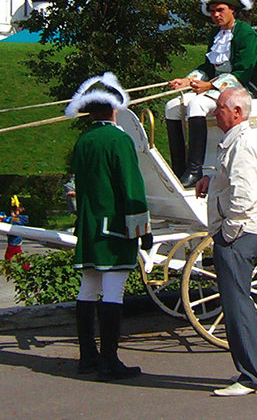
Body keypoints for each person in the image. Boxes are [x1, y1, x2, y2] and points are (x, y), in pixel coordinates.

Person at [66, 73, 151, 381]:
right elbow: (131, 188)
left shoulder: (83, 140)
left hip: (87, 227)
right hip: (114, 230)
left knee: (87, 289)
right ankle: (109, 360)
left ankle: (87, 357)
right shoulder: (119, 139)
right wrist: (143, 230)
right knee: (113, 293)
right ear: (115, 109)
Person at [194, 87, 257, 397]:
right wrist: (210, 181)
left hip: (238, 235)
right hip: (239, 232)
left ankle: (252, 376)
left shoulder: (241, 144)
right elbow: (232, 182)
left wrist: (228, 232)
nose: (215, 113)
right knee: (240, 302)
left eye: (220, 108)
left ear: (237, 113)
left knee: (236, 305)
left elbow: (244, 194)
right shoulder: (235, 141)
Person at [166, 0, 257, 188]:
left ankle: (196, 170)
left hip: (242, 89)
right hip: (215, 88)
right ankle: (179, 169)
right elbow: (208, 66)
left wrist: (209, 85)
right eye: (212, 11)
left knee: (197, 104)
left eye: (220, 10)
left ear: (232, 10)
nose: (215, 15)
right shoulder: (216, 34)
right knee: (171, 106)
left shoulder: (245, 33)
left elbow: (243, 72)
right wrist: (187, 81)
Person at [0, 196, 29, 261]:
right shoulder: (16, 219)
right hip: (15, 241)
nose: (11, 213)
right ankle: (26, 268)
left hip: (14, 242)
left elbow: (13, 220)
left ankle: (8, 270)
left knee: (8, 257)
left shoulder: (18, 219)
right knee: (19, 256)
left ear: (17, 212)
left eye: (13, 211)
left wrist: (4, 219)